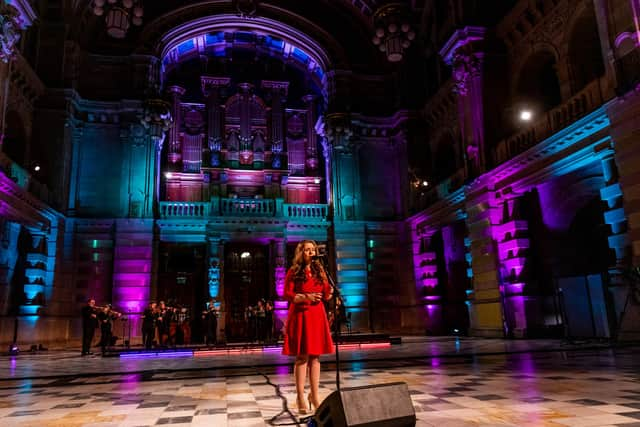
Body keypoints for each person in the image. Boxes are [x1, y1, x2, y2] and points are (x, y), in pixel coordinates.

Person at [283, 240, 334, 415]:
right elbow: (287, 293)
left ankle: (315, 395)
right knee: (302, 357)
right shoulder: (294, 271)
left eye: (313, 249)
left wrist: (329, 290)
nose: (311, 252)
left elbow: (326, 294)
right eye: (307, 250)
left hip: (317, 314)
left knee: (315, 357)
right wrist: (306, 297)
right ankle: (300, 397)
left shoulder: (320, 270)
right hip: (301, 314)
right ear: (301, 252)